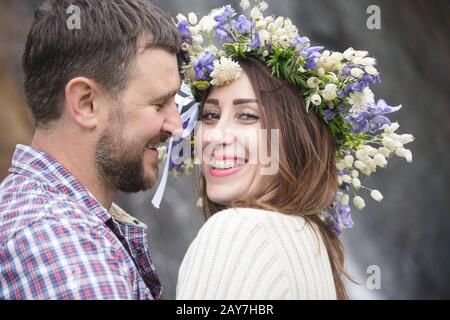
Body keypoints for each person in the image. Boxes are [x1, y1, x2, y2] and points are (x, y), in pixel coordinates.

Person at [171, 2, 414, 300]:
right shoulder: (310, 240)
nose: (215, 136)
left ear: (296, 138)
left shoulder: (236, 231)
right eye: (210, 116)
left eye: (247, 115)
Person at [0, 0, 182, 299]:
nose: (176, 125)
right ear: (86, 103)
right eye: (159, 104)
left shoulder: (51, 218)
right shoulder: (60, 241)